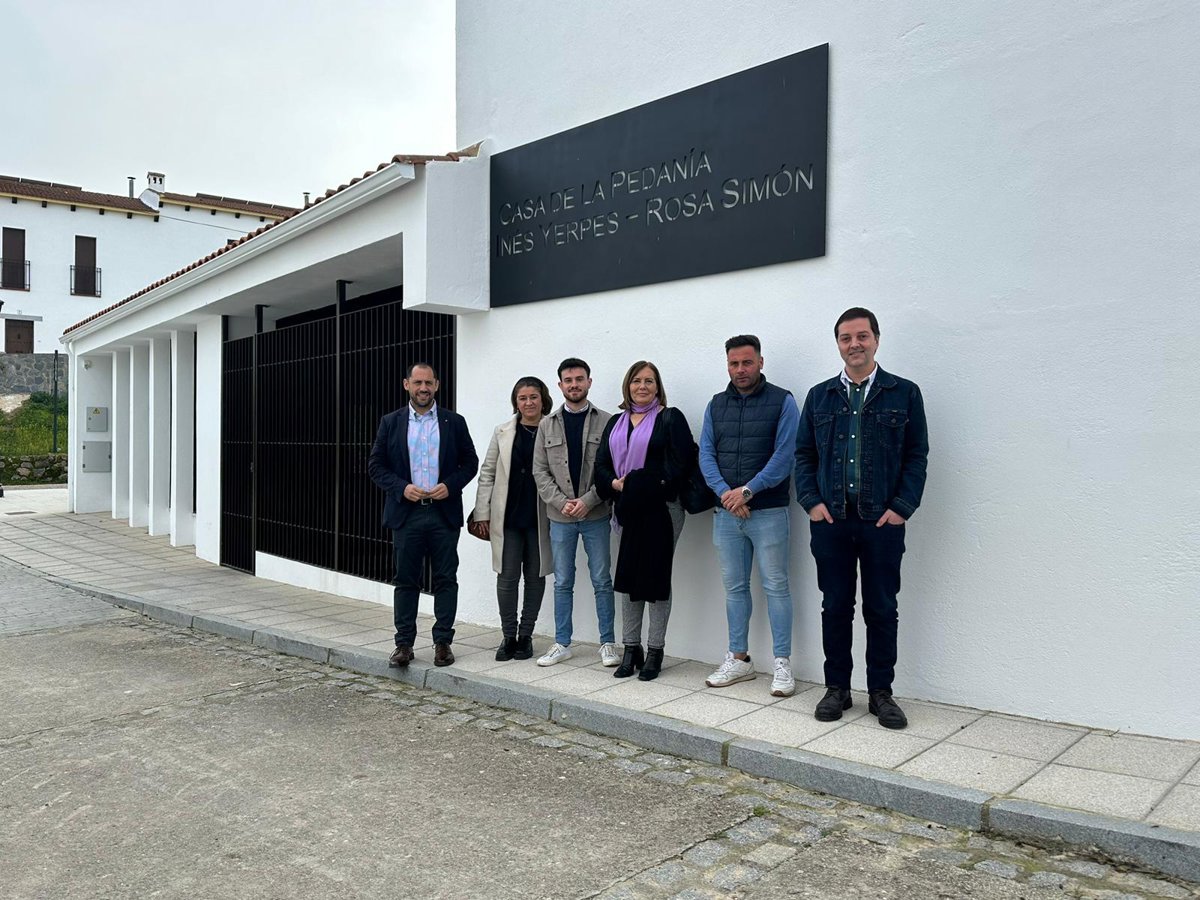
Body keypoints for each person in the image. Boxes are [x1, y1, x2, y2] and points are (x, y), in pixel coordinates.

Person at [794, 308, 928, 729]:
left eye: (862, 336)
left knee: (882, 608)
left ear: (876, 339)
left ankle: (881, 693)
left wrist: (902, 506)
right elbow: (803, 455)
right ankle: (837, 689)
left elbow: (916, 456)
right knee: (835, 606)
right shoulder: (819, 396)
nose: (854, 344)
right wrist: (811, 502)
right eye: (846, 338)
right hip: (831, 522)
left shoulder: (904, 393)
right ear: (838, 343)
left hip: (881, 523)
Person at [699, 335, 800, 697]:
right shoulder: (716, 404)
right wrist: (728, 496)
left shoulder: (783, 401)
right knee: (735, 588)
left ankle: (782, 664)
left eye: (747, 362)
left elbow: (785, 455)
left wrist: (747, 491)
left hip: (769, 511)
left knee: (776, 586)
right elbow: (706, 454)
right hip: (727, 515)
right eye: (734, 363)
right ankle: (739, 659)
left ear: (760, 362)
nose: (740, 369)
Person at [368, 362, 479, 669]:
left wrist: (450, 485)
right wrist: (401, 488)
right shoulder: (391, 422)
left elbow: (470, 463)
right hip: (407, 515)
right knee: (406, 580)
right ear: (407, 384)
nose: (423, 388)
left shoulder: (454, 422)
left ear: (437, 385)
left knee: (446, 579)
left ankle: (443, 642)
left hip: (443, 514)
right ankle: (403, 644)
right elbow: (376, 466)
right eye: (417, 382)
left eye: (428, 383)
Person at [594, 361, 697, 681]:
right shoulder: (615, 423)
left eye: (649, 381)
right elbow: (601, 465)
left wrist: (640, 483)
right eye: (637, 380)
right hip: (627, 509)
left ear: (657, 387)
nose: (642, 386)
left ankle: (655, 650)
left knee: (655, 578)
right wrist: (615, 484)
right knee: (628, 578)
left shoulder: (670, 418)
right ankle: (630, 648)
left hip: (663, 509)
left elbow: (681, 464)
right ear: (627, 385)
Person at [532, 357, 618, 667]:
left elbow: (612, 467)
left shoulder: (607, 421)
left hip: (595, 515)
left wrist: (588, 500)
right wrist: (561, 502)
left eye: (579, 379)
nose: (574, 385)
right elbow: (540, 471)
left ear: (589, 382)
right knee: (562, 582)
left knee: (602, 580)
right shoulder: (547, 425)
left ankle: (607, 643)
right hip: (560, 518)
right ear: (560, 385)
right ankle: (562, 643)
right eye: (568, 380)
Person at [469, 376, 554, 661]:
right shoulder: (503, 431)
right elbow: (488, 473)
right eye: (522, 398)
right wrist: (482, 512)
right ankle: (508, 636)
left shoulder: (553, 428)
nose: (528, 402)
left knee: (535, 577)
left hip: (540, 516)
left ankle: (525, 636)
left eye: (533, 397)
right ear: (515, 402)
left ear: (543, 399)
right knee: (507, 578)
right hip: (507, 516)